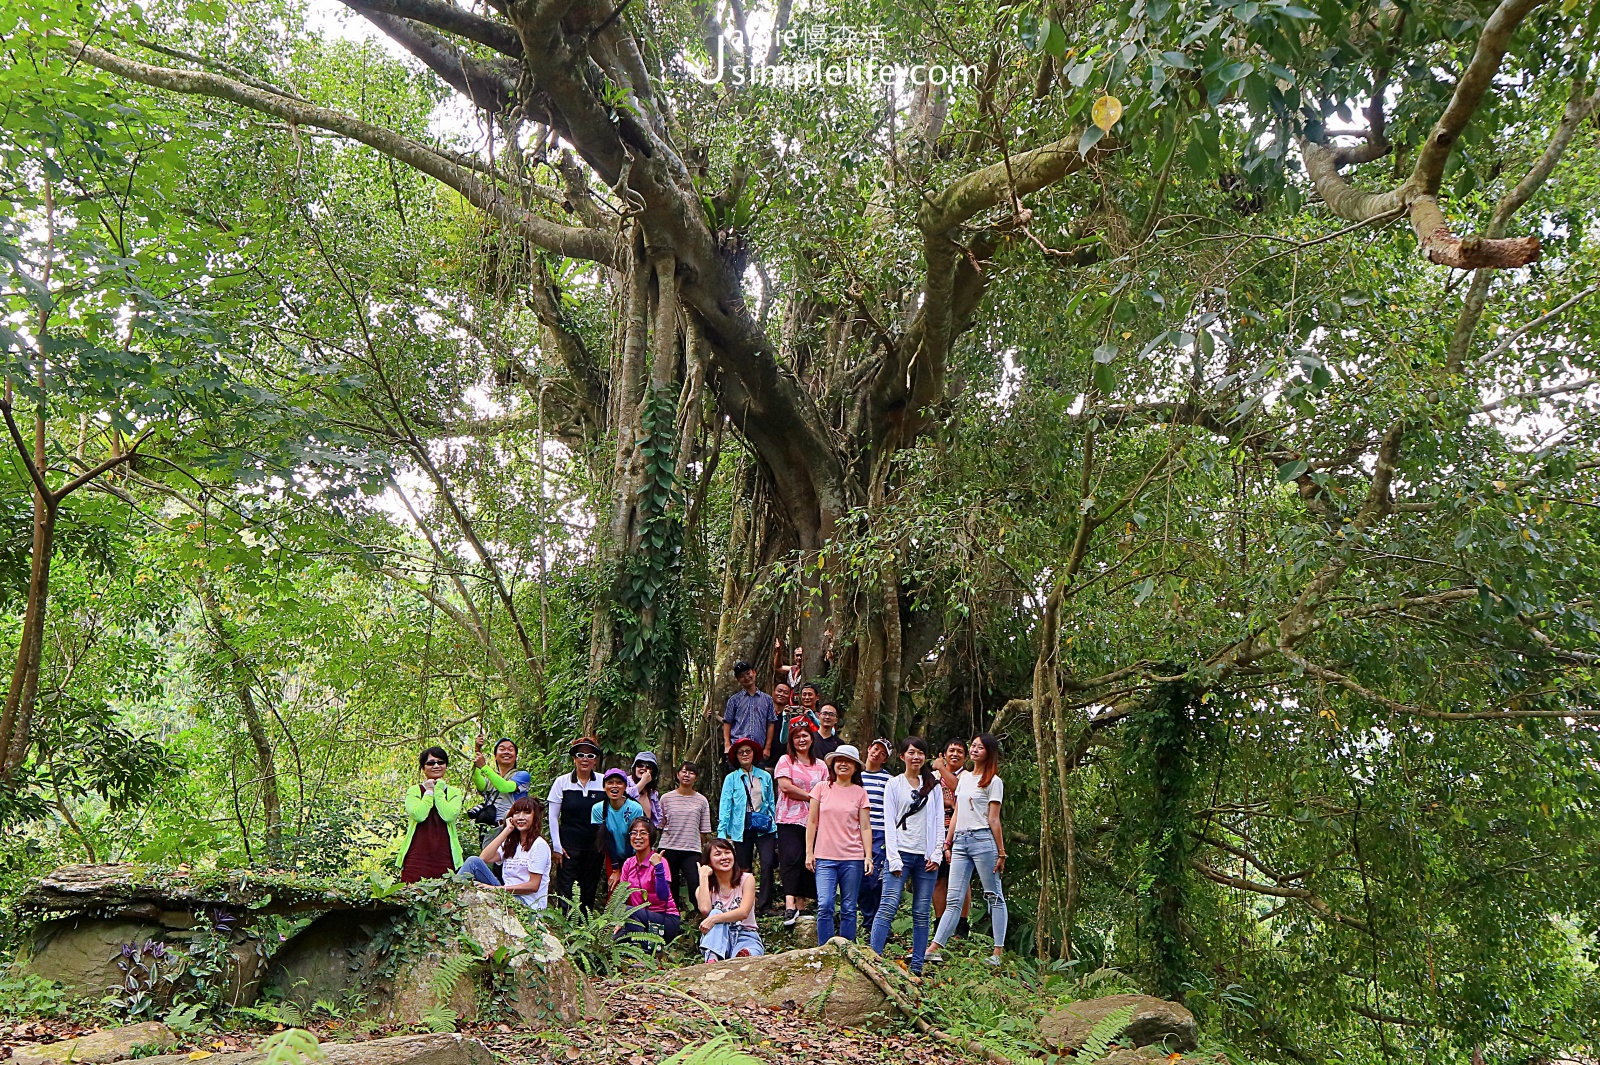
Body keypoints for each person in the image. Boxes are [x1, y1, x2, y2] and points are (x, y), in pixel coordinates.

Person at [925, 733, 1008, 967]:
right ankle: (935, 947)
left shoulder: (994, 781)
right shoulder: (965, 779)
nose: (974, 750)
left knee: (994, 895)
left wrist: (1001, 852)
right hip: (960, 841)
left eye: (979, 748)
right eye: (973, 746)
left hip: (983, 840)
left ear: (988, 752)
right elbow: (957, 814)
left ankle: (997, 952)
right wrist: (948, 843)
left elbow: (994, 819)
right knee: (953, 898)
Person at [870, 737, 944, 974]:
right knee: (887, 906)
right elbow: (888, 823)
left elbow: (939, 821)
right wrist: (893, 857)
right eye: (911, 752)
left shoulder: (933, 786)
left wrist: (937, 853)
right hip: (900, 852)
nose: (916, 757)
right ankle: (873, 960)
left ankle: (918, 966)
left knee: (922, 911)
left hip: (926, 857)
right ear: (902, 756)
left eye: (920, 753)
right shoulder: (893, 784)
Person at [805, 744, 874, 944]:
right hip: (825, 857)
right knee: (825, 904)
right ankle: (824, 949)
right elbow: (812, 822)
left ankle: (846, 950)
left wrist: (867, 856)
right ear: (833, 764)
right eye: (839, 760)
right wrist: (809, 852)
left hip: (852, 857)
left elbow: (865, 826)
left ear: (855, 767)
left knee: (849, 907)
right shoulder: (821, 788)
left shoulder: (860, 792)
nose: (843, 764)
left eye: (848, 761)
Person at [717, 737, 778, 915]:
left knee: (767, 864)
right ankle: (745, 905)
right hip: (740, 826)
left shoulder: (764, 776)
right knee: (744, 867)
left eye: (748, 751)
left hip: (764, 827)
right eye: (741, 752)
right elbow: (725, 805)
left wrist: (774, 825)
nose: (745, 754)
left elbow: (771, 802)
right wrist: (722, 831)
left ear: (754, 754)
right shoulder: (731, 779)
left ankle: (765, 905)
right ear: (736, 756)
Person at [773, 722, 826, 927]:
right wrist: (812, 797)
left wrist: (815, 801)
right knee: (790, 858)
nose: (801, 740)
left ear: (812, 739)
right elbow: (785, 787)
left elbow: (826, 789)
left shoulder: (821, 765)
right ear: (791, 741)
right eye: (797, 737)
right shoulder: (786, 760)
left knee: (808, 859)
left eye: (805, 736)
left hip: (814, 820)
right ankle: (789, 905)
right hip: (789, 817)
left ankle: (802, 905)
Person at [458, 796, 553, 910]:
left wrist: (495, 889)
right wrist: (507, 830)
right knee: (473, 862)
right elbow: (484, 858)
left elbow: (533, 885)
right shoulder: (512, 844)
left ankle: (449, 901)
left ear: (535, 817)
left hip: (528, 904)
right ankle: (449, 898)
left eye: (526, 813)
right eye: (517, 813)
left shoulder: (539, 845)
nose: (521, 817)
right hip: (507, 894)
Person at [548, 736, 607, 911]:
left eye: (590, 756)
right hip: (568, 848)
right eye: (580, 755)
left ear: (595, 760)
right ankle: (566, 930)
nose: (585, 759)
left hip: (595, 848)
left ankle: (585, 930)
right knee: (567, 890)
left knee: (589, 889)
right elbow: (553, 816)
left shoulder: (603, 781)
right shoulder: (562, 782)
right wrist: (557, 846)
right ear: (574, 758)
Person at [400, 746, 467, 883]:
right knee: (411, 896)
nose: (436, 766)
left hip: (446, 856)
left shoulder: (454, 792)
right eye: (430, 763)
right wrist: (429, 791)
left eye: (440, 762)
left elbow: (449, 815)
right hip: (416, 857)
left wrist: (438, 790)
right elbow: (419, 815)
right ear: (423, 768)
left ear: (446, 766)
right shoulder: (414, 791)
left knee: (446, 899)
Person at [616, 817, 680, 950]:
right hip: (637, 921)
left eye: (643, 833)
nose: (638, 837)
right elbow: (621, 896)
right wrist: (618, 921)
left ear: (651, 837)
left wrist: (658, 868)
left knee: (628, 911)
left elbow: (663, 895)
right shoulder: (629, 863)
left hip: (665, 920)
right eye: (634, 833)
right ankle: (644, 948)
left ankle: (646, 953)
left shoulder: (661, 862)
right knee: (611, 941)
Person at [658, 762, 713, 915]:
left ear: (696, 777)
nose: (687, 775)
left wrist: (700, 847)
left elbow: (704, 830)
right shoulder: (666, 798)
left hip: (691, 849)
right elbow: (660, 825)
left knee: (695, 882)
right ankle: (672, 917)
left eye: (691, 772)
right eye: (683, 772)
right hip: (668, 848)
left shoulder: (701, 800)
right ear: (677, 775)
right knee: (671, 885)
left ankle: (700, 916)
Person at [697, 838, 764, 962]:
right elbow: (705, 909)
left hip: (746, 935)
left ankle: (742, 956)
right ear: (709, 861)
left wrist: (714, 919)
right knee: (715, 912)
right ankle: (712, 958)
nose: (724, 857)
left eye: (727, 852)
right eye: (717, 854)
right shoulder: (705, 889)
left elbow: (743, 912)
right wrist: (703, 876)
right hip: (718, 938)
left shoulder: (747, 879)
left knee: (749, 953)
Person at [931, 737, 971, 930]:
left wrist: (941, 768)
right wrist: (947, 804)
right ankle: (940, 922)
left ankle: (962, 925)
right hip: (937, 830)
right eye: (951, 750)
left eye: (959, 751)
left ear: (965, 757)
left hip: (961, 830)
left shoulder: (968, 776)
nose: (955, 754)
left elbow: (957, 787)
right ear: (944, 754)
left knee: (962, 878)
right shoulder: (932, 777)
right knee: (938, 878)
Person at [858, 738, 893, 937]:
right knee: (861, 879)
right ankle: (867, 919)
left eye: (882, 753)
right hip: (856, 832)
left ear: (885, 759)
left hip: (879, 832)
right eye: (875, 748)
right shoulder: (857, 776)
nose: (877, 753)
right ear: (869, 748)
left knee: (876, 879)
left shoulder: (888, 780)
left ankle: (879, 924)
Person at [595, 768, 647, 888]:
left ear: (625, 787)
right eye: (610, 782)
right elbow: (606, 838)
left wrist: (627, 867)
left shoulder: (635, 808)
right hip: (613, 855)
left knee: (634, 891)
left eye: (619, 783)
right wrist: (615, 868)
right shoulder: (598, 809)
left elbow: (636, 837)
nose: (614, 786)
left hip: (635, 854)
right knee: (614, 892)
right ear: (604, 787)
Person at [470, 736, 524, 847]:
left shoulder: (522, 776)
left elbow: (505, 787)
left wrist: (484, 766)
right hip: (490, 830)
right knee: (488, 862)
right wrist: (477, 750)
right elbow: (477, 779)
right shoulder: (490, 780)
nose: (506, 752)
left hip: (511, 829)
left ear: (516, 756)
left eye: (510, 749)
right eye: (502, 749)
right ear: (495, 756)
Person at [723, 660, 778, 761]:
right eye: (742, 676)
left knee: (758, 776)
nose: (746, 677)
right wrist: (727, 745)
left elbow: (770, 724)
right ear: (738, 680)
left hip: (758, 750)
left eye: (748, 673)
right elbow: (727, 722)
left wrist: (767, 748)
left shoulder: (767, 699)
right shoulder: (734, 700)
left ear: (754, 672)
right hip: (737, 749)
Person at [629, 751, 664, 826]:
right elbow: (625, 796)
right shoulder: (626, 782)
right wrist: (643, 781)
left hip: (645, 833)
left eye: (648, 766)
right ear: (635, 767)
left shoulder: (652, 792)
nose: (644, 768)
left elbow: (659, 816)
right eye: (640, 765)